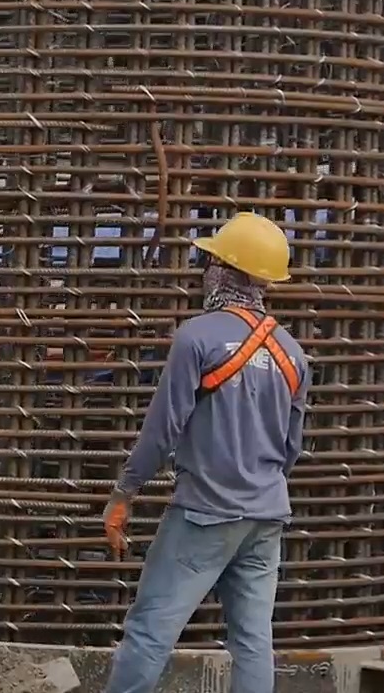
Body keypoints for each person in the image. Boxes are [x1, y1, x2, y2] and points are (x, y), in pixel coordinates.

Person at [102, 213, 311, 693]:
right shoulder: (292, 353)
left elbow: (162, 429)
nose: (203, 269)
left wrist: (124, 492)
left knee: (150, 629)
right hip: (266, 517)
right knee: (254, 641)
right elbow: (290, 447)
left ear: (223, 270)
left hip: (205, 514)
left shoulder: (197, 337)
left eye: (209, 260)